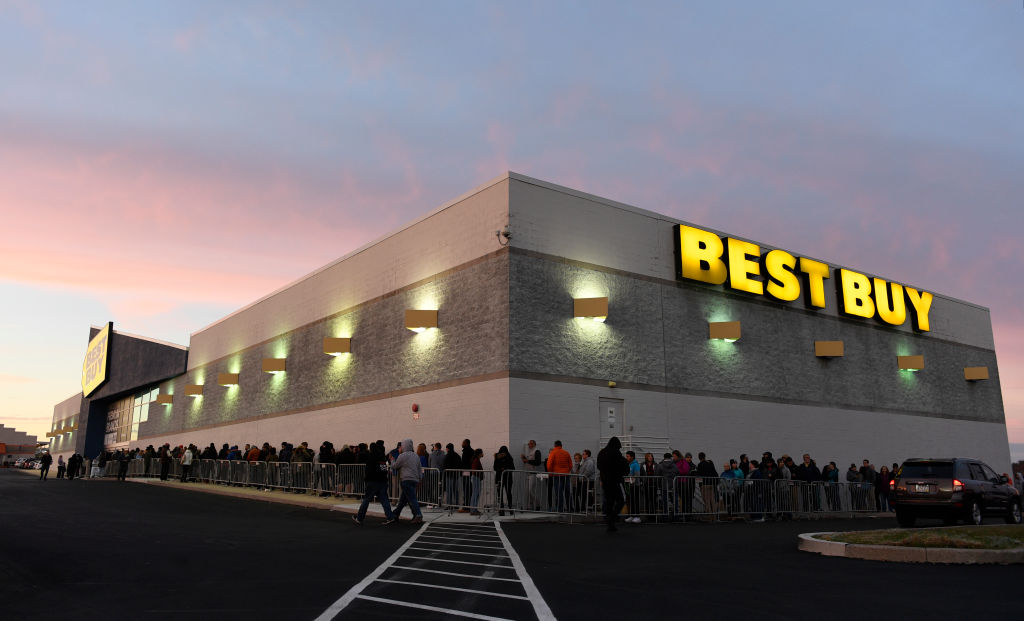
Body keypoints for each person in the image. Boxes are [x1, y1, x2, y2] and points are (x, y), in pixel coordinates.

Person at [353, 442, 396, 526]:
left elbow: (368, 471)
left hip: (372, 481)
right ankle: (390, 517)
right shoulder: (381, 457)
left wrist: (366, 479)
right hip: (382, 481)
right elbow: (384, 470)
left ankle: (359, 517)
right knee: (384, 500)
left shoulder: (370, 458)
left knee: (366, 500)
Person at [597, 437, 628, 532]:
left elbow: (599, 466)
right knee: (621, 500)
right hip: (616, 481)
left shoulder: (602, 453)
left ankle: (610, 522)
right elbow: (624, 468)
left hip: (605, 481)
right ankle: (612, 518)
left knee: (609, 502)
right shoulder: (616, 453)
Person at [391, 439, 424, 524]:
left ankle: (418, 515)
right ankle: (396, 513)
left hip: (406, 479)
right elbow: (419, 468)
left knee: (412, 499)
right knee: (403, 499)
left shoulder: (402, 456)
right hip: (415, 479)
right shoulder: (416, 456)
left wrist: (392, 460)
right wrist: (420, 478)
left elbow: (395, 466)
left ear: (404, 446)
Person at [546, 440, 573, 513]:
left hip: (557, 475)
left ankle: (560, 510)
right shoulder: (566, 453)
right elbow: (571, 465)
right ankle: (570, 508)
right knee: (567, 492)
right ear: (561, 445)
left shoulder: (553, 453)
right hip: (566, 475)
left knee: (559, 493)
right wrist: (567, 471)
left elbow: (549, 465)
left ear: (555, 445)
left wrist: (551, 473)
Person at [520, 440, 544, 511]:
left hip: (533, 474)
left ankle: (538, 504)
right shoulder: (530, 452)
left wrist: (527, 461)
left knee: (530, 491)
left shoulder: (537, 451)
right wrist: (524, 458)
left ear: (533, 444)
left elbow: (538, 462)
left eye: (530, 444)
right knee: (527, 491)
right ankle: (530, 506)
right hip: (528, 473)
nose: (528, 445)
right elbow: (528, 461)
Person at [494, 445, 515, 516]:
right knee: (502, 494)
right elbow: (495, 467)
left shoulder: (509, 458)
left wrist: (504, 468)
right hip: (502, 478)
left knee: (506, 493)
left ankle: (508, 508)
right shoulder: (498, 457)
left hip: (505, 478)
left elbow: (512, 468)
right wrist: (501, 468)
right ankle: (504, 509)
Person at [442, 443, 462, 508]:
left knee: (449, 491)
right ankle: (456, 504)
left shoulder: (447, 456)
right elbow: (460, 465)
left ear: (448, 449)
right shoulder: (457, 455)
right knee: (455, 491)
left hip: (449, 476)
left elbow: (444, 465)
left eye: (446, 448)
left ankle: (449, 505)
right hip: (456, 476)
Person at [468, 448, 484, 515]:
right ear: (479, 453)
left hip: (476, 478)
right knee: (475, 493)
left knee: (476, 493)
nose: (482, 454)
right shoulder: (476, 460)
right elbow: (474, 470)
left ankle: (474, 509)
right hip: (476, 478)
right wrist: (479, 474)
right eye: (481, 452)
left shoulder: (476, 460)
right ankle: (473, 510)